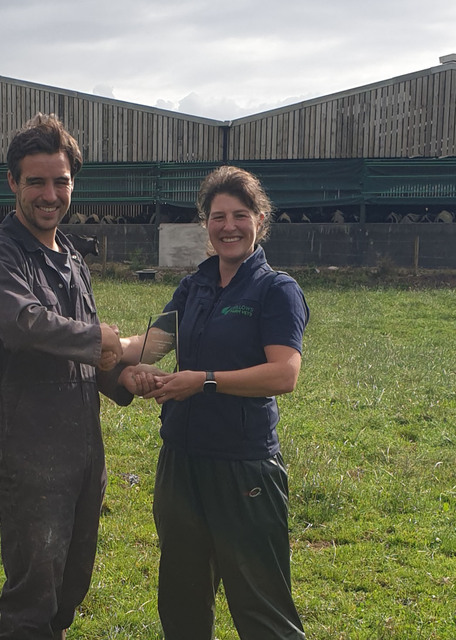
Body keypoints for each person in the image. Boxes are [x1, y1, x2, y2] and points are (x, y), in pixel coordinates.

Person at [121, 165, 310, 639]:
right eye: (218, 216)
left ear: (260, 220)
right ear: (205, 224)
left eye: (240, 215)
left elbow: (283, 374)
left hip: (242, 466)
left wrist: (203, 381)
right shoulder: (194, 287)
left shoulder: (276, 290)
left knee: (261, 605)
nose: (229, 226)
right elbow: (148, 346)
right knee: (181, 602)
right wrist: (123, 363)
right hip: (181, 463)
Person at [0, 112, 137, 639]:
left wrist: (124, 379)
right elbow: (24, 325)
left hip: (82, 447)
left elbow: (81, 351)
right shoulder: (0, 258)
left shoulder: (73, 260)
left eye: (60, 181)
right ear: (13, 183)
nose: (50, 193)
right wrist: (105, 339)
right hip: (27, 446)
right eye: (36, 181)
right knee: (31, 602)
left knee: (67, 591)